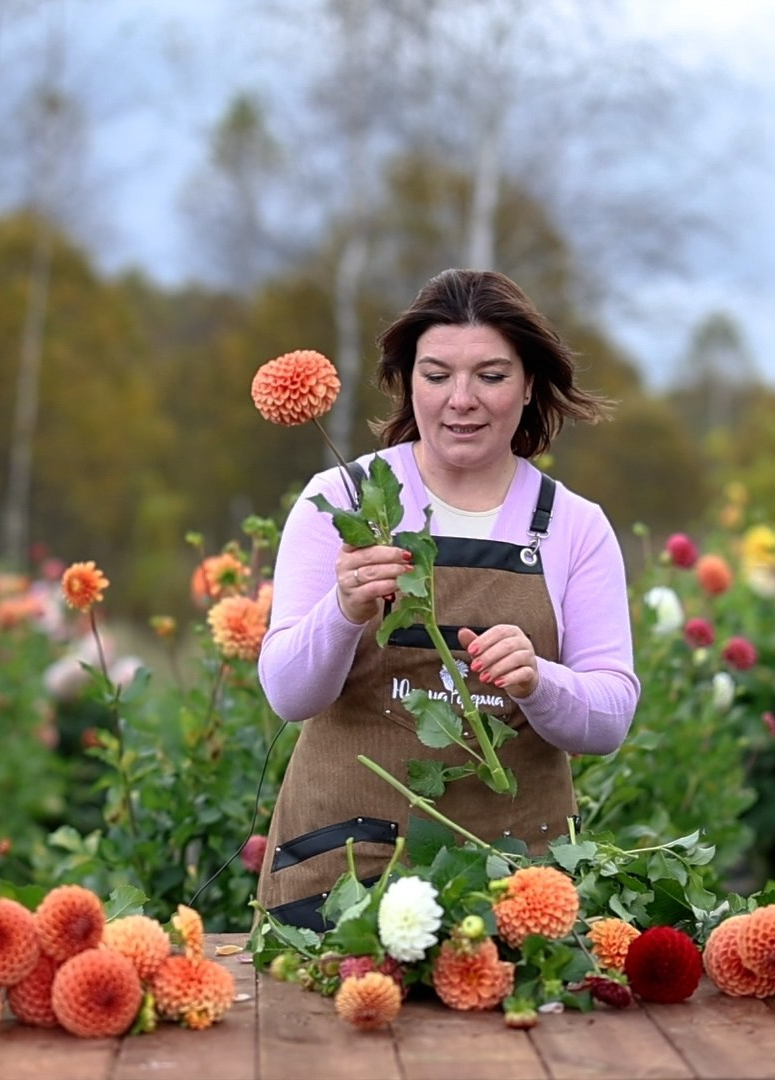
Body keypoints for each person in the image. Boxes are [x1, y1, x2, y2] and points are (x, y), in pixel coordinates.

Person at [255, 268, 640, 929]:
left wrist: (538, 681)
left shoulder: (574, 526)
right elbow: (289, 695)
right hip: (341, 879)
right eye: (437, 375)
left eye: (490, 375)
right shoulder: (340, 501)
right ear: (409, 383)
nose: (461, 399)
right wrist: (343, 610)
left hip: (509, 886)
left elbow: (609, 719)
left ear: (528, 388)